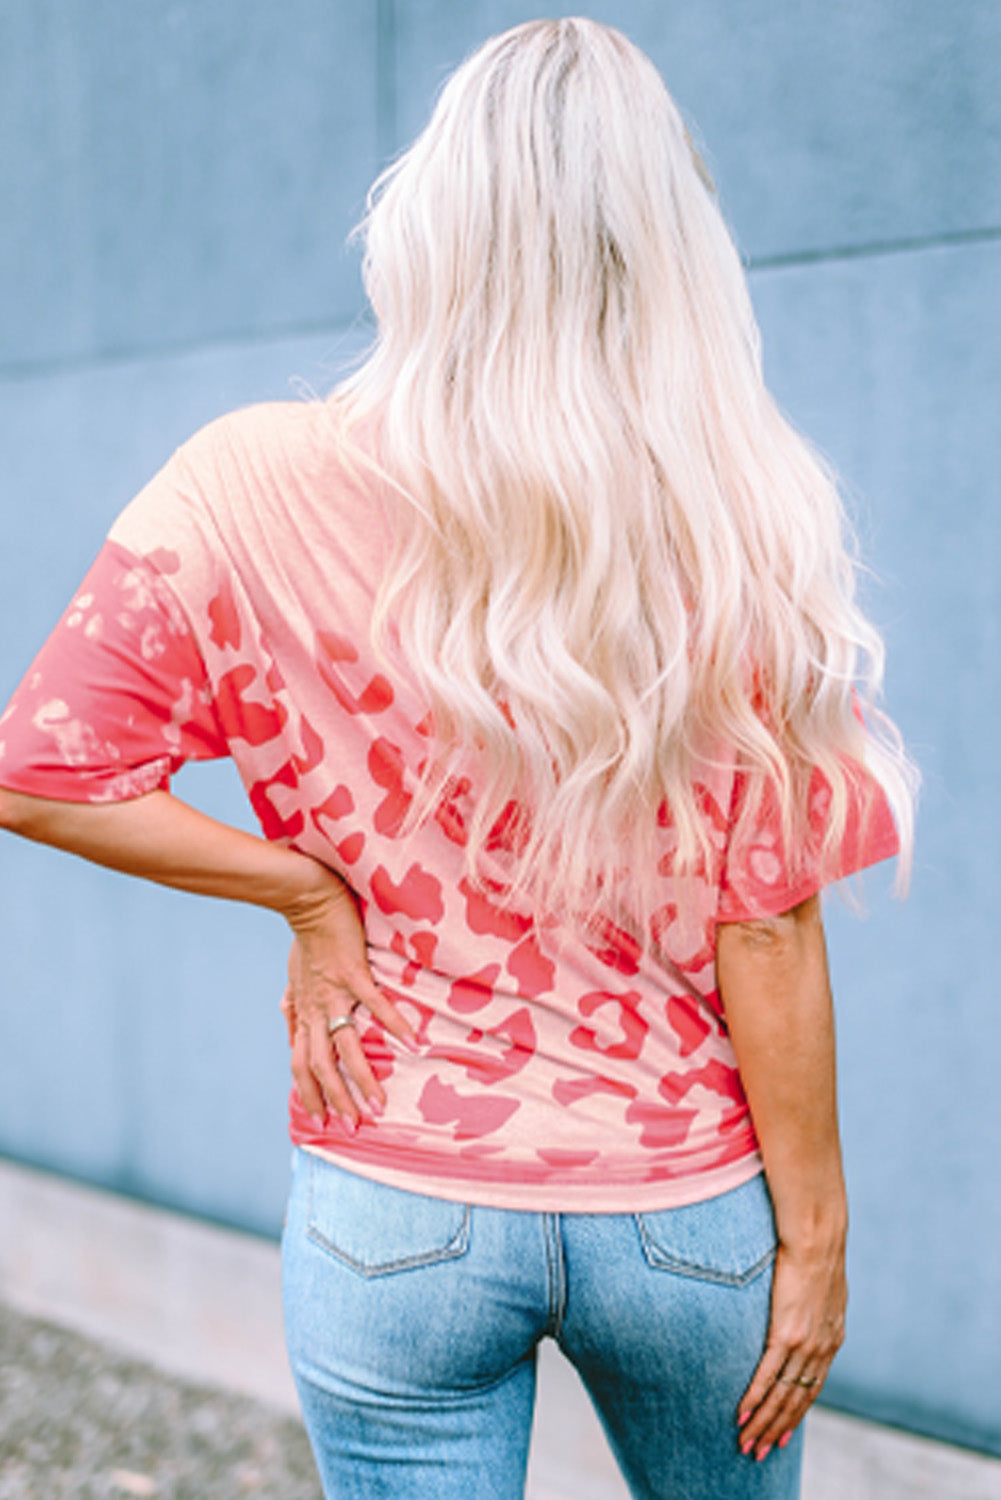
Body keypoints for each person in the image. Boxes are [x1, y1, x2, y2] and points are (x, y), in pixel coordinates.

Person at [0, 17, 915, 1500]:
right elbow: (767, 918)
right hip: (685, 1211)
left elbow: (42, 772)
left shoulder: (241, 479)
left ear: (425, 217)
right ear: (668, 249)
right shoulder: (732, 517)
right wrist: (813, 1244)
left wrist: (309, 895)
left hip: (393, 1204)